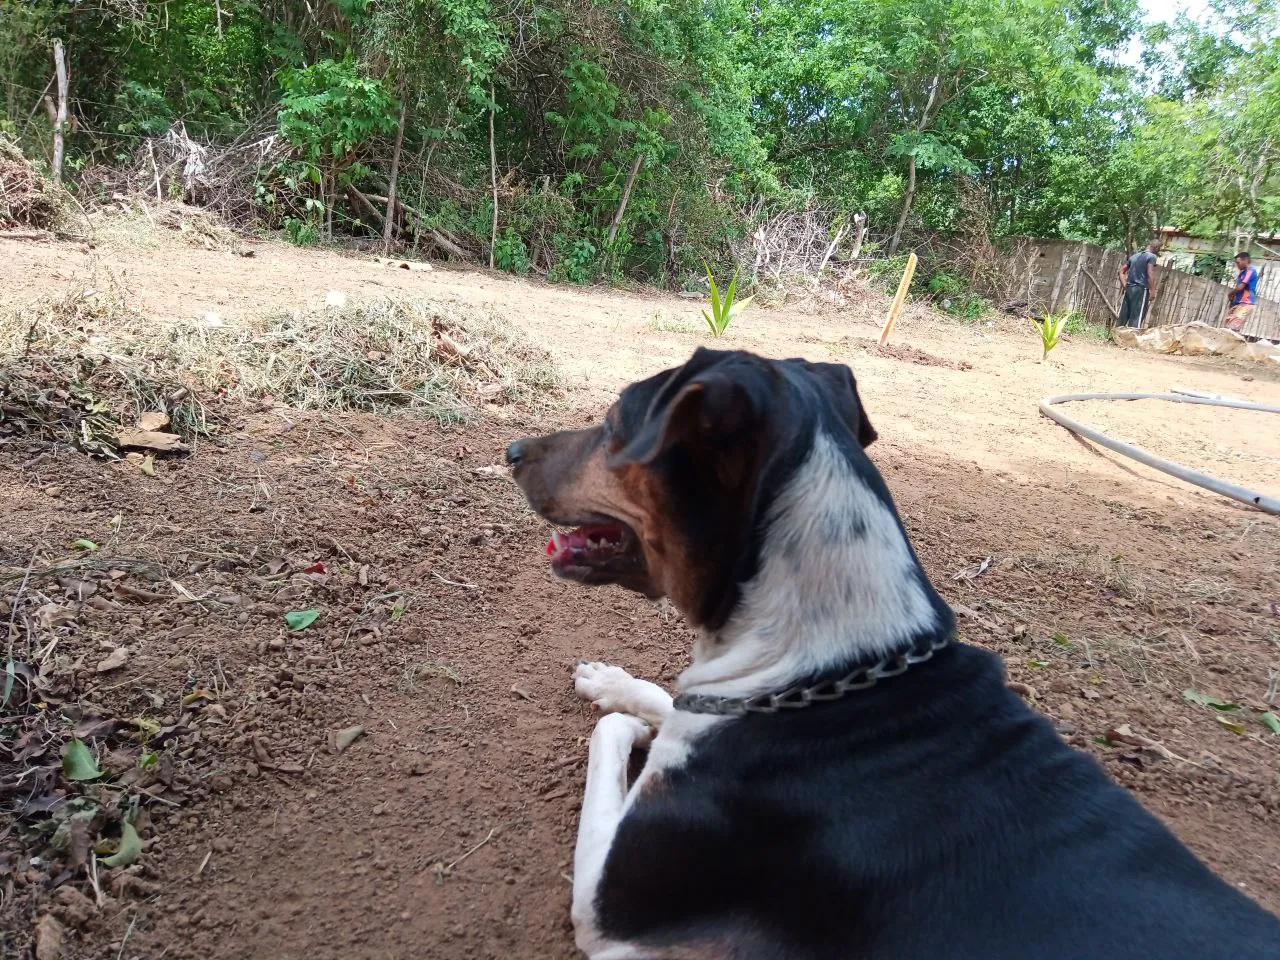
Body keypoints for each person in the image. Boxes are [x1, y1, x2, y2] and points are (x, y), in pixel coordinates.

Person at [1116, 240, 1161, 328]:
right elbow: (1150, 273)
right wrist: (1152, 291)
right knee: (1137, 316)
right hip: (1141, 289)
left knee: (1124, 314)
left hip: (1129, 288)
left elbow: (1121, 271)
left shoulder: (1134, 256)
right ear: (1156, 248)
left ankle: (1115, 335)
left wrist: (1125, 285)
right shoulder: (1151, 257)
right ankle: (1131, 339)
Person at [1225, 251, 1259, 333]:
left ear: (1245, 260)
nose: (1237, 265)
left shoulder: (1250, 271)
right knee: (1229, 324)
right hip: (1240, 302)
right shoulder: (1244, 272)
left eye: (1238, 262)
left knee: (1233, 327)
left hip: (1246, 302)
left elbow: (1241, 287)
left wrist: (1230, 294)